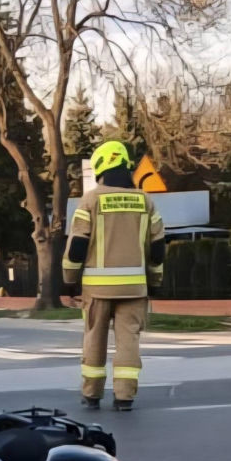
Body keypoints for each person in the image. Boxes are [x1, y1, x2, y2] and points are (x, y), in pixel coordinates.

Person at [62, 140, 165, 412]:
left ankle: (92, 394)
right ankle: (124, 397)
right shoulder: (145, 200)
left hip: (97, 290)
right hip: (134, 289)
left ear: (101, 167)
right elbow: (157, 249)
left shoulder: (91, 200)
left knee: (94, 337)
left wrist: (70, 279)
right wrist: (154, 282)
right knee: (128, 340)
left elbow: (77, 246)